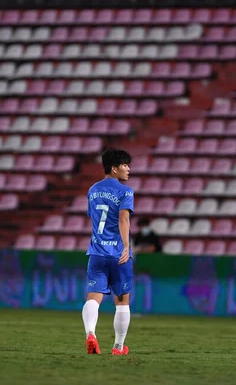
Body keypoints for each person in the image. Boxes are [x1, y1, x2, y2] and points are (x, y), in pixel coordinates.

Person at [82, 149, 134, 356]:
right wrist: (126, 246)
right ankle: (118, 347)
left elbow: (93, 218)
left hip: (96, 252)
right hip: (118, 254)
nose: (128, 169)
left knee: (93, 297)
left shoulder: (92, 190)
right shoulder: (125, 191)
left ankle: (90, 334)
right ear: (114, 168)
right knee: (122, 301)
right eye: (125, 165)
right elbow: (123, 218)